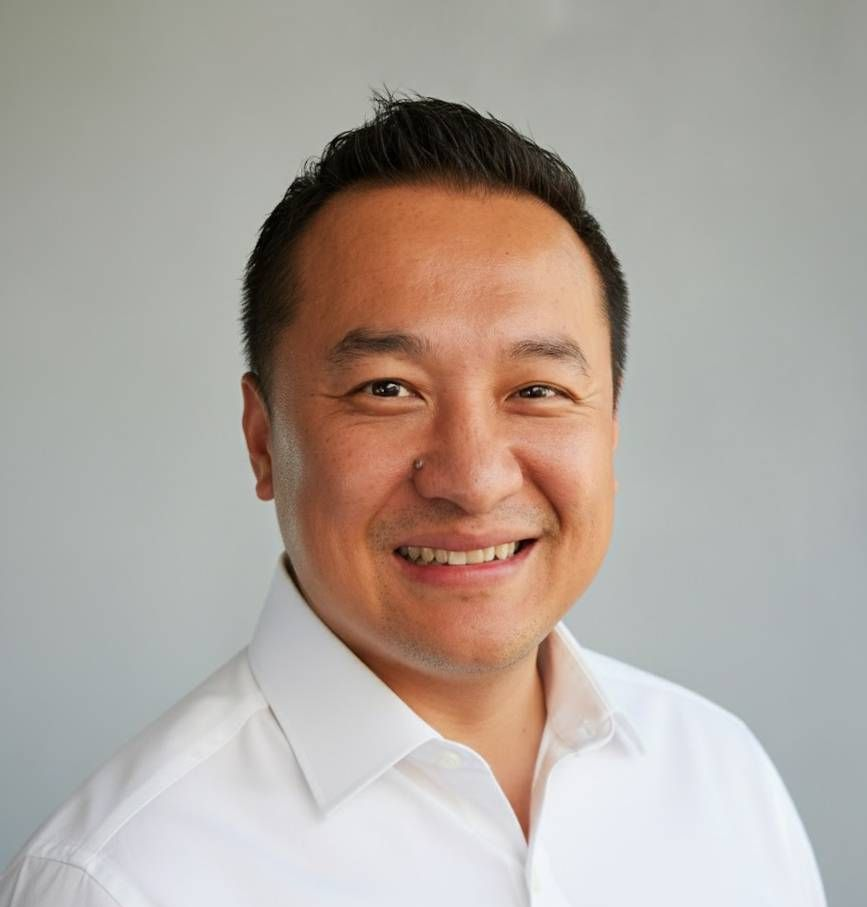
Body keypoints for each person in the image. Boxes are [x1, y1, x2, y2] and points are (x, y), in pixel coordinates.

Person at [0, 93, 827, 906]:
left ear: (609, 431)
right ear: (262, 439)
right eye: (387, 387)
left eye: (537, 389)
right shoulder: (120, 880)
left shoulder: (723, 777)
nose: (471, 478)